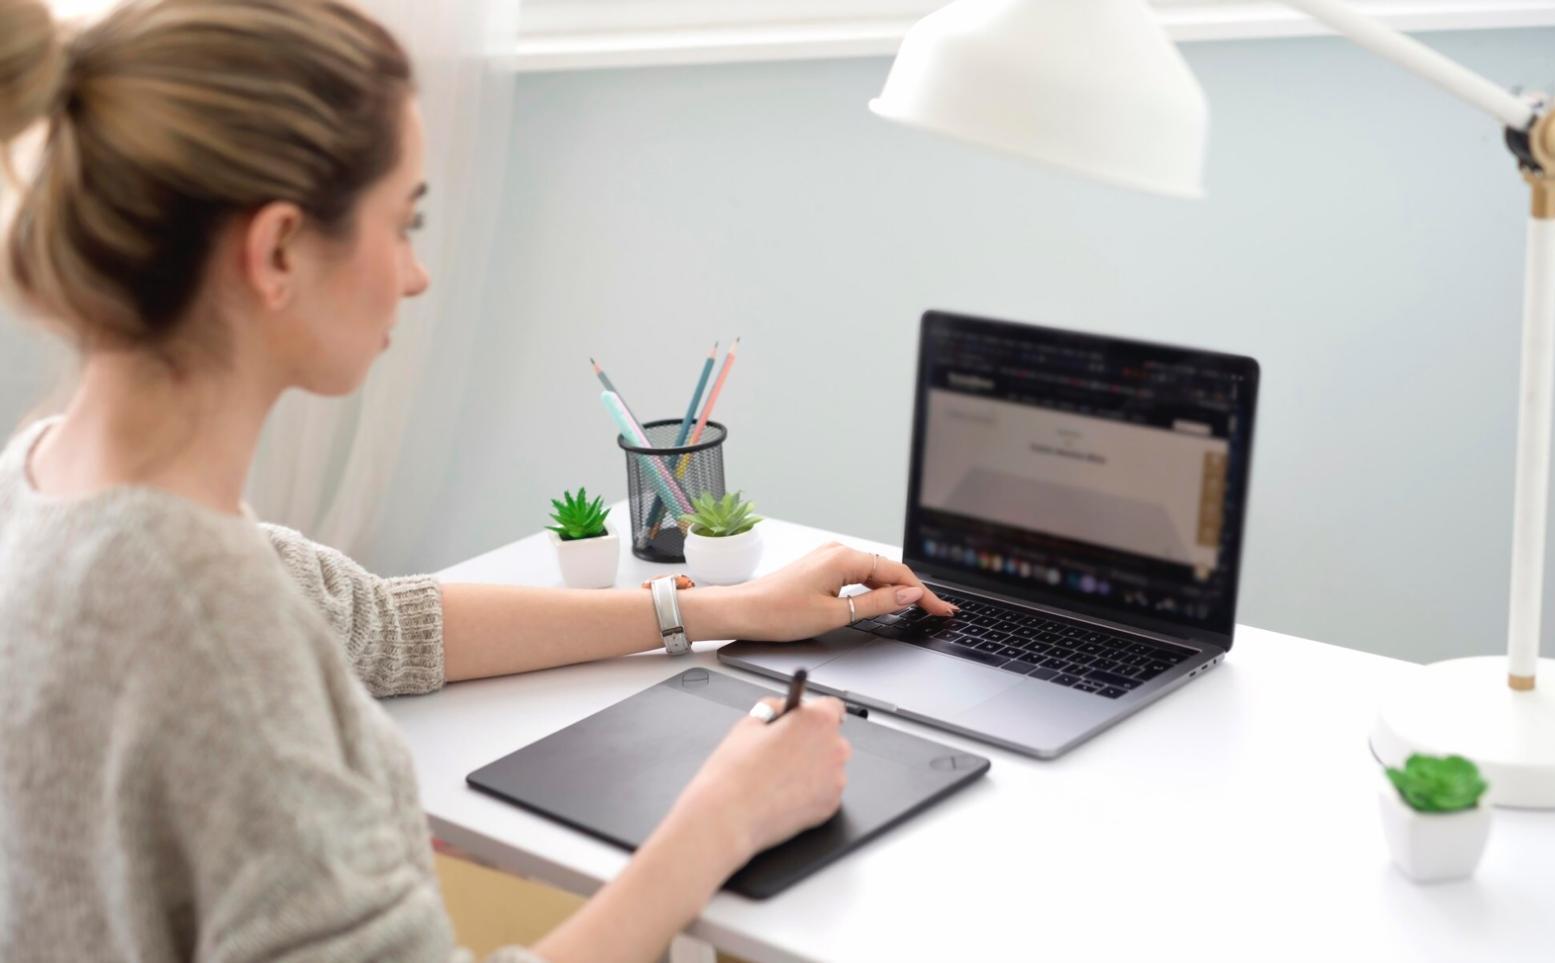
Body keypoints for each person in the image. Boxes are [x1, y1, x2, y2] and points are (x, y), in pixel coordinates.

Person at [0, 1, 955, 960]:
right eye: (403, 222)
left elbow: (379, 626)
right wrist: (722, 816)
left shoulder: (43, 481)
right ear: (279, 249)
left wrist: (729, 605)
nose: (416, 277)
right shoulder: (206, 617)